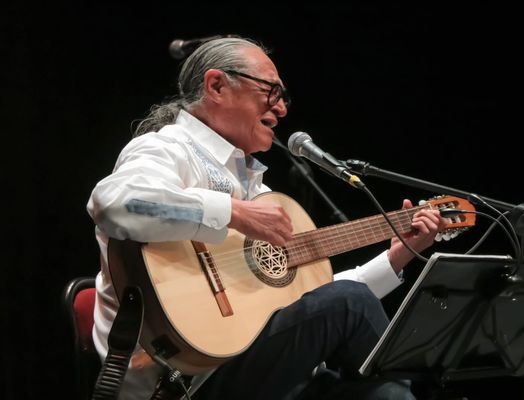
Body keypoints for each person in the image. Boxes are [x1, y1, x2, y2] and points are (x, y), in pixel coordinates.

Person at [86, 35, 447, 400]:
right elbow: (117, 204)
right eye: (271, 91)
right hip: (179, 383)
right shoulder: (167, 148)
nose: (282, 109)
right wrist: (233, 212)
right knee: (351, 308)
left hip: (246, 369)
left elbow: (315, 297)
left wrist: (397, 254)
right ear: (216, 85)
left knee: (371, 386)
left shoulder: (252, 185)